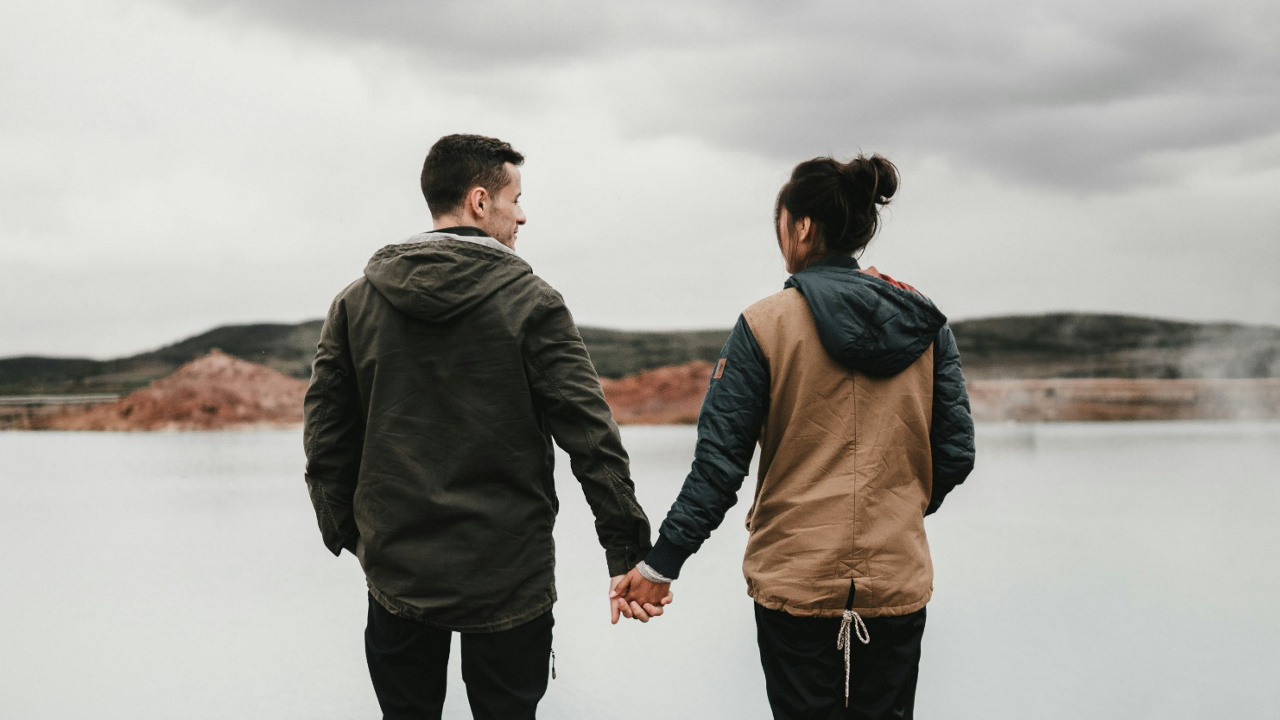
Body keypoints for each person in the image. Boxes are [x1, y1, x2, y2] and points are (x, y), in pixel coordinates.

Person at [303, 133, 661, 720]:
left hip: (398, 572)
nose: (522, 214)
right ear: (478, 201)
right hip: (509, 576)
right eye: (514, 198)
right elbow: (591, 436)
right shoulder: (534, 301)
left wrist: (353, 536)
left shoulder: (355, 303)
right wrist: (625, 550)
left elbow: (325, 439)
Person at [613, 154, 976, 718]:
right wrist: (895, 510)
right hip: (894, 579)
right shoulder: (925, 325)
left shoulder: (763, 325)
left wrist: (659, 567)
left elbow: (718, 468)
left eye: (779, 221)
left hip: (796, 582)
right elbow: (955, 453)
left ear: (802, 226)